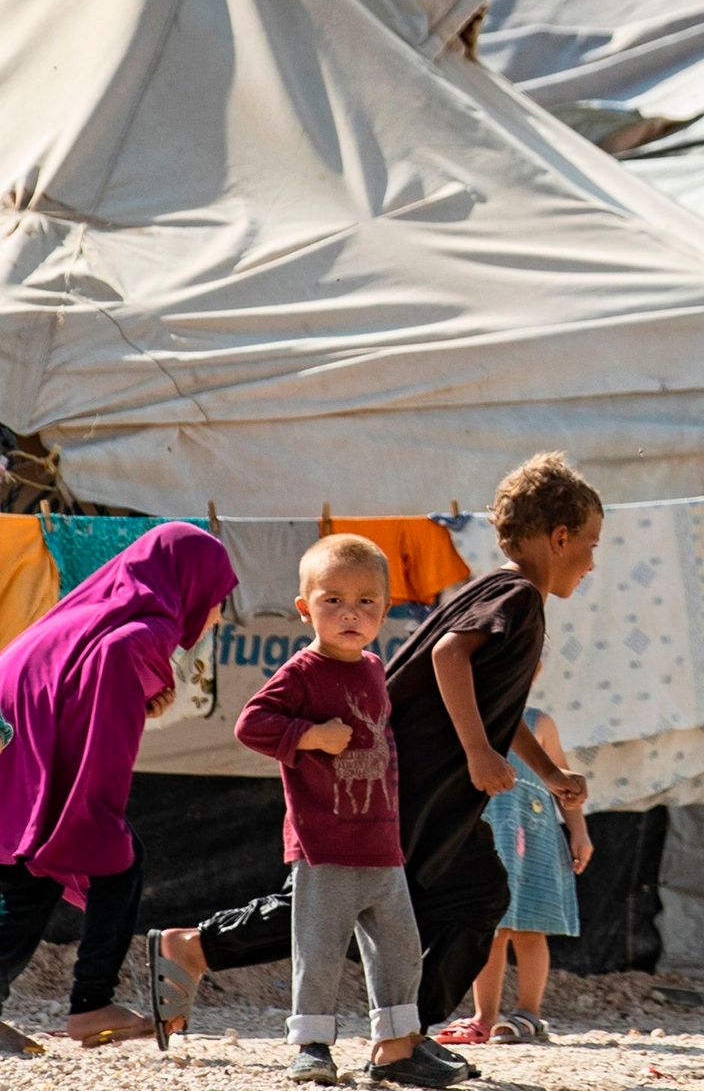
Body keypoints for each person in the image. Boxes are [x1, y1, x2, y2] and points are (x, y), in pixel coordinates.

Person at [148, 453, 600, 1079]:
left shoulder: (501, 593)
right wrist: (475, 752)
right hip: (410, 780)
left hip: (443, 790)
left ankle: (407, 1035)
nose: (592, 561)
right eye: (590, 545)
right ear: (558, 538)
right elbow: (448, 657)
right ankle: (198, 948)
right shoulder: (518, 594)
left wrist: (546, 775)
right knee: (341, 896)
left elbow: (500, 707)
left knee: (477, 895)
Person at [0, 524, 237, 1055]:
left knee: (30, 878)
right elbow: (107, 698)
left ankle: (89, 1003)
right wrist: (95, 811)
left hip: (15, 748)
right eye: (220, 597)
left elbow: (80, 679)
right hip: (34, 756)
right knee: (104, 858)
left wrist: (140, 693)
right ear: (190, 583)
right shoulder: (145, 630)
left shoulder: (101, 613)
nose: (220, 612)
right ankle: (90, 1005)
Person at [233, 535, 455, 1087]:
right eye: (333, 600)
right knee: (320, 950)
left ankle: (397, 1047)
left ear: (385, 608)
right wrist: (309, 735)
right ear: (305, 607)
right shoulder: (302, 672)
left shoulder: (375, 668)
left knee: (401, 948)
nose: (350, 613)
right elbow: (251, 725)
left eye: (366, 601)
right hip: (323, 842)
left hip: (381, 841)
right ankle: (311, 1047)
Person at [438, 706, 592, 1047]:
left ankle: (528, 1014)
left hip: (534, 837)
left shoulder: (540, 723)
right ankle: (484, 1017)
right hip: (487, 837)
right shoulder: (470, 721)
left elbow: (563, 780)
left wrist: (579, 832)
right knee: (489, 927)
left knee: (531, 928)